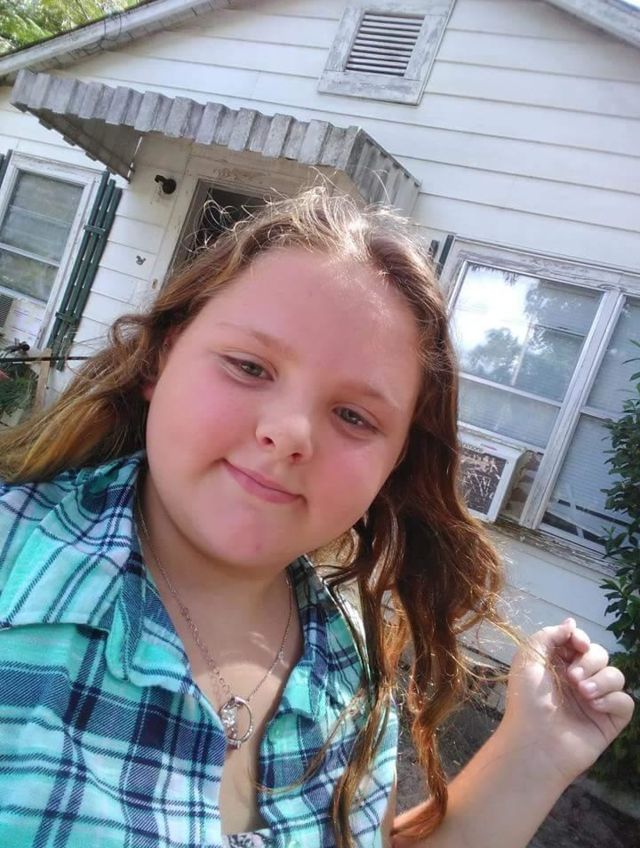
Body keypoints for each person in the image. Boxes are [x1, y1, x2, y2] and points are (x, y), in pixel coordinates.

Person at [0, 188, 632, 848]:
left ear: (394, 464)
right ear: (162, 357)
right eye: (250, 366)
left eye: (354, 416)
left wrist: (534, 755)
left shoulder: (353, 670)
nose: (291, 432)